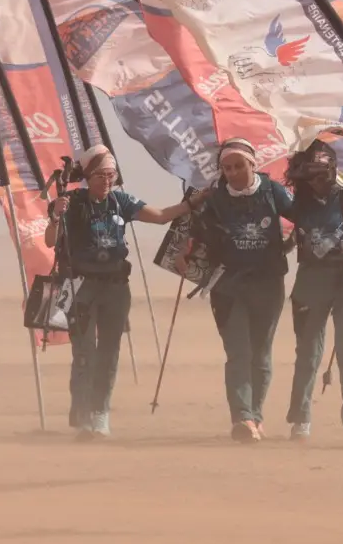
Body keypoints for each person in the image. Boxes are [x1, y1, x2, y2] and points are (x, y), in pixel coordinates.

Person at [44, 145, 188, 438]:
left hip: (115, 288)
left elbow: (160, 216)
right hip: (78, 287)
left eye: (111, 174)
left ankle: (100, 413)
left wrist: (193, 203)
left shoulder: (121, 201)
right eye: (100, 175)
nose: (107, 181)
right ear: (87, 176)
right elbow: (50, 241)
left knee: (109, 353)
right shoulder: (70, 202)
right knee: (84, 353)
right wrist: (56, 216)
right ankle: (82, 414)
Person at [189, 138, 293, 442]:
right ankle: (243, 418)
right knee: (238, 352)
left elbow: (302, 216)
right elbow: (196, 236)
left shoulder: (273, 192)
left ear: (253, 164)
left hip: (268, 283)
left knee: (261, 353)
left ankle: (255, 415)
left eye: (238, 166)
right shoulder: (215, 198)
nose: (233, 172)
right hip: (227, 286)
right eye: (227, 167)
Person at [283, 139, 343, 449]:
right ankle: (301, 417)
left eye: (321, 174)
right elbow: (295, 235)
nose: (316, 181)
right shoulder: (300, 200)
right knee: (308, 351)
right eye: (310, 175)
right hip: (311, 278)